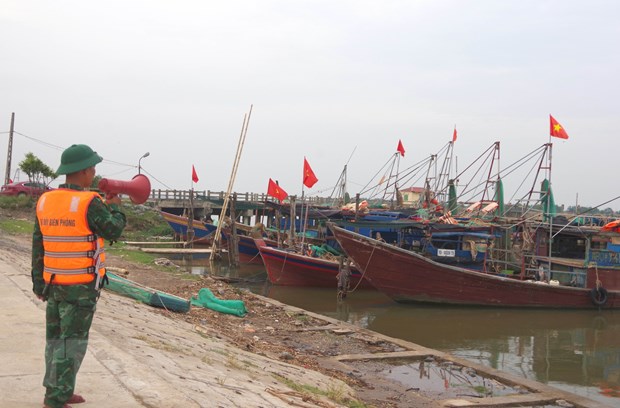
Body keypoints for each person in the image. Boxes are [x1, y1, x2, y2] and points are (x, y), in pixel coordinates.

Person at [31, 144, 127, 408]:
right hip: (80, 288)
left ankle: (59, 388)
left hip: (53, 284)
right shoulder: (89, 202)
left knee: (55, 341)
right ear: (84, 171)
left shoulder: (45, 200)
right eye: (93, 168)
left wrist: (38, 283)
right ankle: (56, 399)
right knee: (71, 344)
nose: (94, 173)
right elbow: (113, 230)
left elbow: (38, 245)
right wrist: (117, 207)